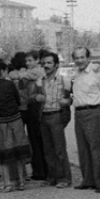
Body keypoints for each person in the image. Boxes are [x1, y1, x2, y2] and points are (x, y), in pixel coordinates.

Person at [0, 58, 32, 192]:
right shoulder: (10, 84)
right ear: (3, 71)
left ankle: (7, 182)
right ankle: (21, 181)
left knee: (4, 151)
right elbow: (18, 100)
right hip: (15, 119)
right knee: (18, 150)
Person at [69, 46, 100, 192]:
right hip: (79, 113)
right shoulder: (76, 73)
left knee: (95, 148)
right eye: (76, 58)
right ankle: (88, 180)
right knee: (83, 149)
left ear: (88, 58)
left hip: (94, 111)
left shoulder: (97, 72)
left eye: (82, 57)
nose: (79, 60)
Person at [35, 51, 72, 187]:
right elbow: (34, 96)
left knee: (59, 149)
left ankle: (65, 178)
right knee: (48, 150)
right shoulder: (41, 81)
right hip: (44, 116)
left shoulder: (64, 80)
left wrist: (67, 101)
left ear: (56, 65)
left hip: (57, 115)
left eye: (49, 63)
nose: (46, 65)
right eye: (44, 63)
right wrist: (36, 97)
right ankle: (52, 176)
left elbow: (72, 98)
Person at [20, 50, 48, 181]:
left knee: (36, 141)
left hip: (35, 109)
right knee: (37, 141)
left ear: (37, 60)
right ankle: (41, 170)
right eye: (26, 61)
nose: (28, 63)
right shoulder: (37, 72)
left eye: (30, 60)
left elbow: (20, 75)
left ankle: (40, 171)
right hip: (34, 108)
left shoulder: (37, 71)